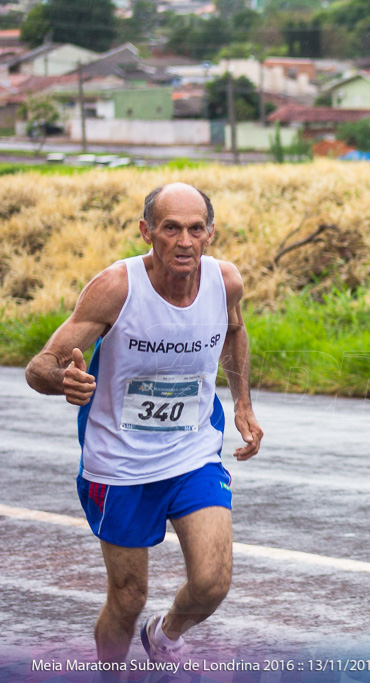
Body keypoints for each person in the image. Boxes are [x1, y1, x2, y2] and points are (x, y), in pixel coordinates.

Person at [25, 182, 263, 665]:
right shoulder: (117, 287)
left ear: (210, 233)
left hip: (193, 453)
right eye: (171, 228)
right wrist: (63, 380)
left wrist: (242, 405)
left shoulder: (225, 281)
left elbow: (234, 331)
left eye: (195, 229)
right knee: (128, 598)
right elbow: (39, 366)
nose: (184, 241)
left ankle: (166, 635)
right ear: (146, 231)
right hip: (120, 467)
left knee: (212, 582)